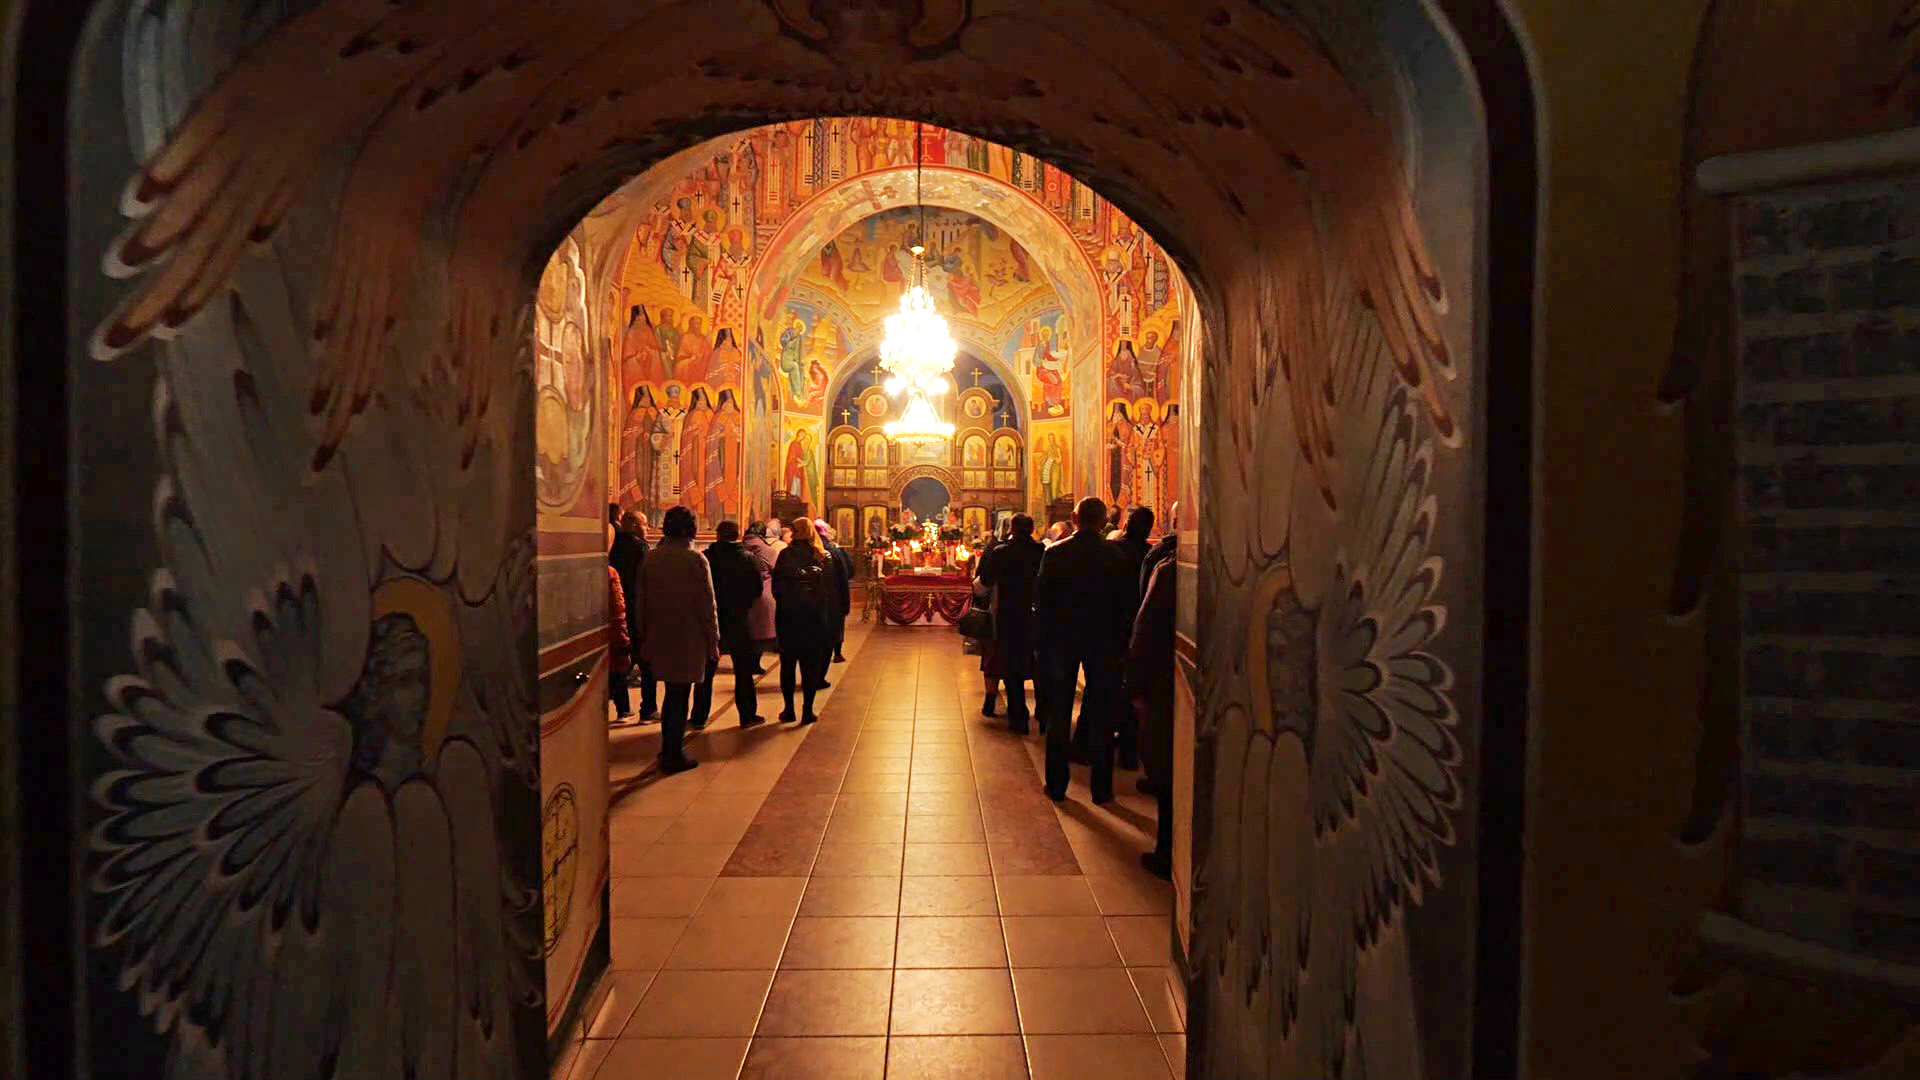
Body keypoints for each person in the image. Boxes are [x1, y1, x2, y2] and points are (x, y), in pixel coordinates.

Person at [1033, 497, 1135, 803]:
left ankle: (1056, 784)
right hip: (1104, 641)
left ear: (1075, 520)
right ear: (1103, 522)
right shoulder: (1115, 555)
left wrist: (1041, 644)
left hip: (1062, 640)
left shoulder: (1055, 553)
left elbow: (1042, 603)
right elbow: (1126, 604)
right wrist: (1122, 644)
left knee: (1059, 711)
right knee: (1102, 713)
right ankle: (1101, 789)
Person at [633, 505, 721, 774]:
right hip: (688, 636)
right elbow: (707, 605)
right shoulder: (695, 559)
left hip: (659, 633)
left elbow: (640, 601)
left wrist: (643, 634)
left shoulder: (652, 558)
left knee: (671, 694)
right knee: (679, 696)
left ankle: (668, 748)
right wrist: (713, 640)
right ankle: (673, 753)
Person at [1129, 552, 1177, 879]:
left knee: (1165, 764)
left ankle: (1166, 850)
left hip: (1163, 683)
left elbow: (1144, 631)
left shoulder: (1169, 571)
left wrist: (1136, 684)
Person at [698, 521, 766, 729]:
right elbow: (757, 588)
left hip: (713, 619)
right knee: (743, 670)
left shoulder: (706, 558)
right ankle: (747, 714)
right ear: (738, 535)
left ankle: (699, 715)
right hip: (739, 619)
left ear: (718, 535)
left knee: (706, 671)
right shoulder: (748, 558)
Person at [980, 514, 1044, 734]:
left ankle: (1018, 717)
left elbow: (986, 580)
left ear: (1012, 529)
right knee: (1037, 665)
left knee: (1012, 667)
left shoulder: (1002, 552)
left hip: (1008, 615)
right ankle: (1043, 714)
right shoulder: (1041, 551)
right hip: (1034, 614)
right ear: (1032, 529)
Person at [772, 518, 836, 724]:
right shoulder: (822, 556)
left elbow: (777, 588)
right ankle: (808, 711)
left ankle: (789, 710)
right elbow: (830, 591)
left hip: (789, 618)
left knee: (788, 666)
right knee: (810, 667)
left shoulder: (785, 555)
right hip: (814, 619)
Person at [608, 507, 658, 723]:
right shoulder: (640, 547)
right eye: (645, 524)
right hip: (637, 608)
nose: (647, 528)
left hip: (618, 609)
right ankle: (648, 709)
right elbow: (647, 580)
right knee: (647, 663)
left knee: (622, 661)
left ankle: (623, 708)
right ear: (635, 526)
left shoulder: (614, 544)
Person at [606, 526, 635, 723]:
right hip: (610, 632)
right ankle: (623, 708)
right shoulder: (609, 574)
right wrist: (623, 638)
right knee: (618, 672)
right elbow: (617, 608)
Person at [817, 520, 856, 665]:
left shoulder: (806, 550)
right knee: (835, 626)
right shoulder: (835, 551)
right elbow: (847, 573)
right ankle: (837, 653)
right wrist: (845, 603)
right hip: (834, 595)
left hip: (814, 598)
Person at [742, 522, 779, 671]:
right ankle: (755, 663)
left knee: (746, 631)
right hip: (765, 593)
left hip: (742, 593)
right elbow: (777, 571)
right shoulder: (768, 551)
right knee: (760, 633)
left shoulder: (740, 548)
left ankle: (745, 663)